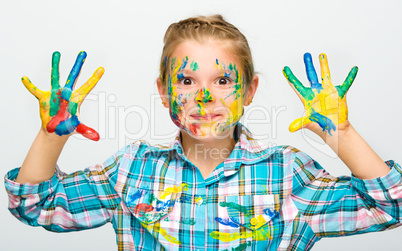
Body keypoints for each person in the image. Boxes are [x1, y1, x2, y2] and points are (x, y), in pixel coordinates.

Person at [4, 15, 402, 251]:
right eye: (188, 80)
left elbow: (391, 207)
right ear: (164, 92)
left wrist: (342, 133)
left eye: (223, 79)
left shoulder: (289, 173)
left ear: (248, 91)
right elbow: (35, 206)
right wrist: (51, 134)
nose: (205, 95)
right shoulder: (131, 170)